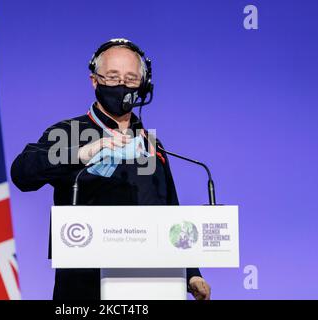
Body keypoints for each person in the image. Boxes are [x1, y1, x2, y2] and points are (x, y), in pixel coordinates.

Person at [11, 38, 211, 300]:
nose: (122, 86)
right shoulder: (68, 132)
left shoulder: (151, 144)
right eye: (113, 77)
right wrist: (83, 153)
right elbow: (22, 173)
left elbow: (170, 213)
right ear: (95, 81)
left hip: (153, 284)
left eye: (130, 78)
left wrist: (191, 273)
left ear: (143, 83)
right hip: (85, 289)